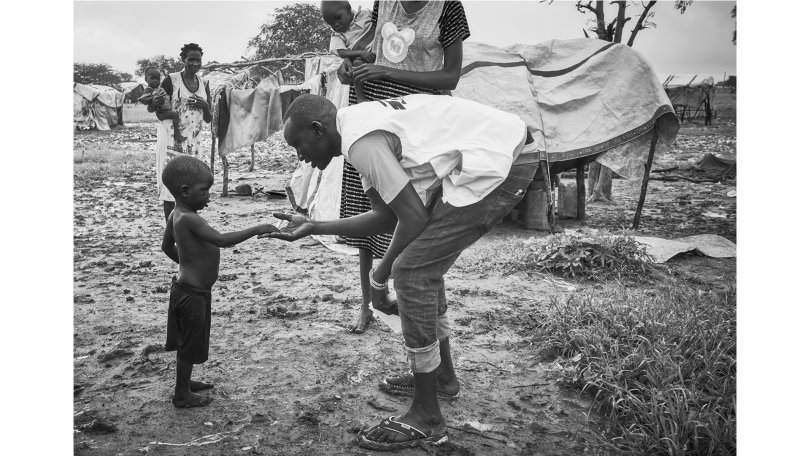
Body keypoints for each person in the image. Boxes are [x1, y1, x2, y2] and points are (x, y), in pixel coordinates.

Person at [263, 93, 540, 450]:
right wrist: (314, 226)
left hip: (506, 160)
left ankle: (427, 416)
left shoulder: (361, 140)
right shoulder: (354, 135)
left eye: (297, 145)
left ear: (317, 130)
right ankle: (442, 377)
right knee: (420, 267)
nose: (299, 156)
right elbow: (387, 215)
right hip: (499, 151)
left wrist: (380, 277)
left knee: (412, 273)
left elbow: (411, 217)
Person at [336, 0, 470, 334]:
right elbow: (376, 47)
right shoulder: (385, 2)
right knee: (371, 214)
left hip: (417, 128)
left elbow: (451, 76)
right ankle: (369, 304)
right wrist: (356, 65)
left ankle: (418, 320)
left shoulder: (448, 7)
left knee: (414, 226)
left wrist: (385, 71)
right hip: (372, 113)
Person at [161, 155, 277, 408]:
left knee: (187, 341)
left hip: (186, 288)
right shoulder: (190, 218)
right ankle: (182, 395)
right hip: (192, 294)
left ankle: (185, 383)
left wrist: (187, 262)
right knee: (190, 343)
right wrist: (257, 229)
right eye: (204, 191)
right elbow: (222, 240)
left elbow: (165, 246)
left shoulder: (175, 214)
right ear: (185, 191)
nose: (209, 196)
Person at [152, 43, 213, 221]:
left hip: (193, 142)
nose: (194, 64)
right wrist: (176, 118)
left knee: (191, 185)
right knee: (171, 185)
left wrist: (205, 105)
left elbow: (209, 118)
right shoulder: (172, 80)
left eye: (198, 60)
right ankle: (172, 230)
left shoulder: (204, 83)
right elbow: (159, 112)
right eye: (190, 60)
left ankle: (187, 225)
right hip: (171, 140)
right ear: (183, 60)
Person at [321, 1, 375, 102]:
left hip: (379, 51)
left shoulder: (365, 14)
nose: (336, 24)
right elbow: (341, 52)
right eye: (331, 24)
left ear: (348, 8)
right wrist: (361, 53)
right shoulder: (338, 35)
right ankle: (360, 98)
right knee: (356, 66)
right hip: (361, 58)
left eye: (338, 18)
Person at [140, 67, 185, 152]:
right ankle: (177, 134)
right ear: (146, 79)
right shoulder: (148, 90)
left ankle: (176, 133)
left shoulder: (160, 88)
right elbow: (147, 105)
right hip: (161, 113)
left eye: (157, 79)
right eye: (152, 78)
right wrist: (153, 101)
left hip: (166, 110)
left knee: (176, 115)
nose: (155, 81)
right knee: (175, 115)